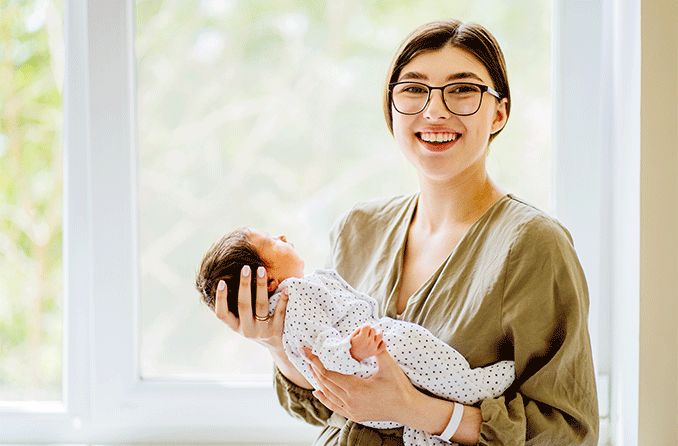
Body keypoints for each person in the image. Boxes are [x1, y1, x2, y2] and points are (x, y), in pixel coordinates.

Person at [213, 20, 599, 445]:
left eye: (463, 90)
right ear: (391, 109)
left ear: (499, 112)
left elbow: (569, 433)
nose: (435, 111)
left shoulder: (533, 246)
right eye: (414, 90)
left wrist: (416, 410)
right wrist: (276, 343)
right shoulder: (359, 230)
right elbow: (331, 408)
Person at [195, 227, 516, 445]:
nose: (282, 236)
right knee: (414, 345)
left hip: (368, 391)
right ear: (266, 279)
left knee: (416, 392)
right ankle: (470, 385)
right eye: (271, 242)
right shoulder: (296, 296)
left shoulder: (293, 303)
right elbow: (320, 358)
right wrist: (349, 348)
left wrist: (412, 408)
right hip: (364, 359)